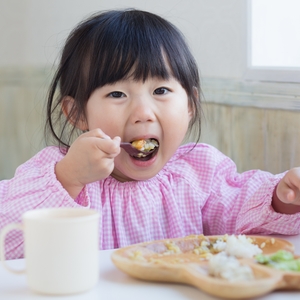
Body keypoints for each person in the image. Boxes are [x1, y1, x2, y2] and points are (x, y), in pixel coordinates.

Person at [1, 9, 300, 260]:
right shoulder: (57, 174)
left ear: (190, 105)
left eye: (161, 90)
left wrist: (282, 198)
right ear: (77, 112)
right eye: (117, 93)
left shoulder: (198, 174)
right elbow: (7, 240)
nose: (143, 112)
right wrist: (68, 179)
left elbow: (244, 212)